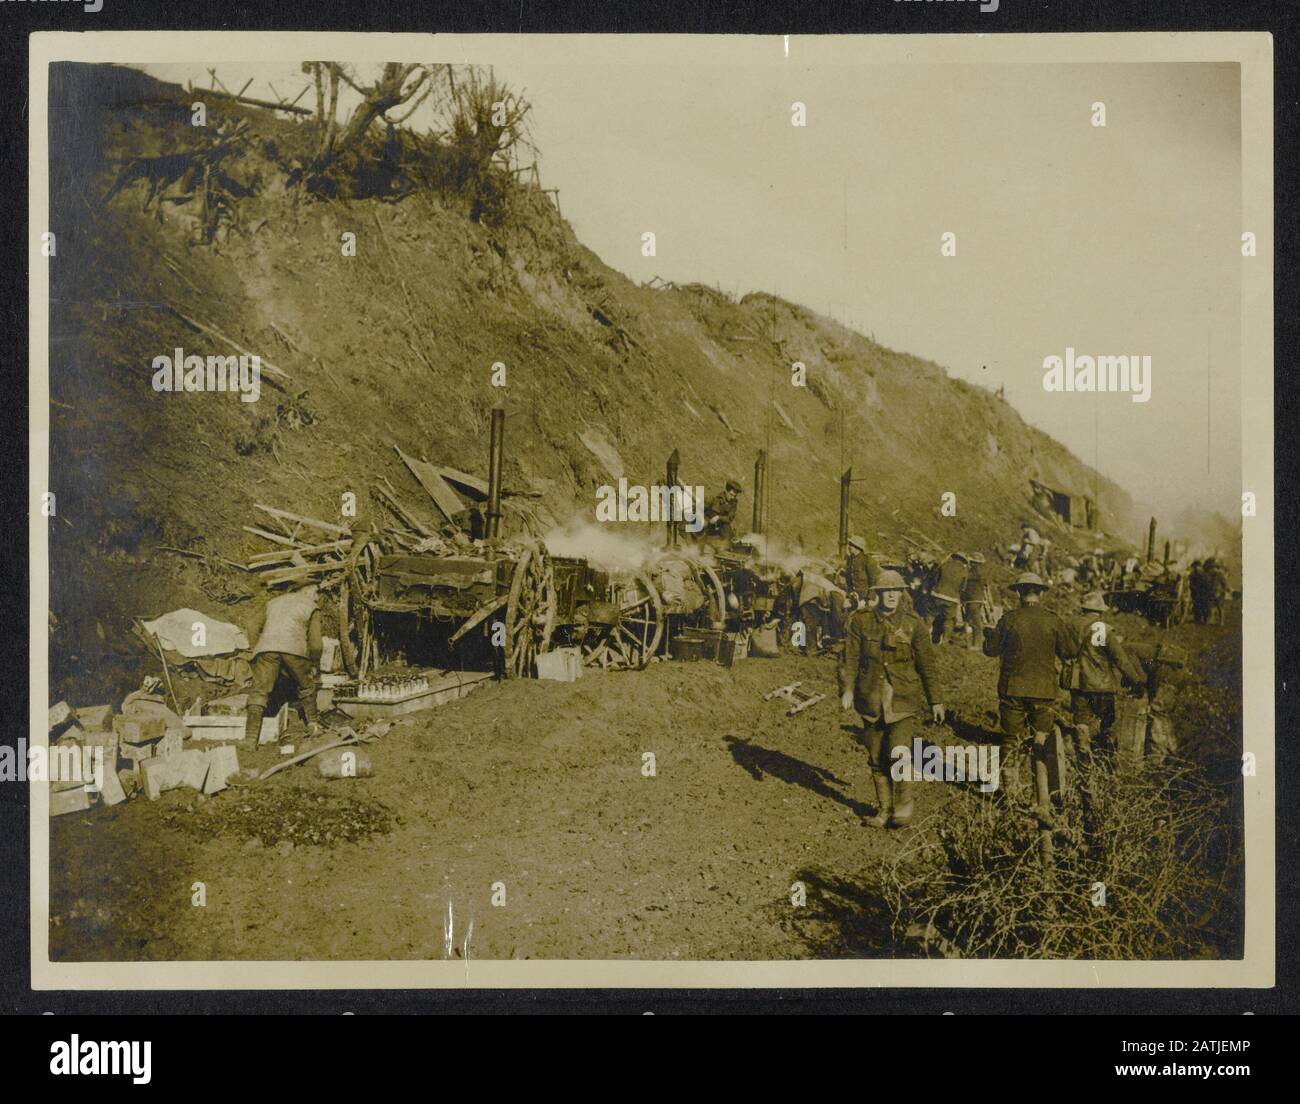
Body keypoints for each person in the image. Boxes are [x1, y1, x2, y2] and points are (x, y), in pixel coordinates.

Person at [840, 570, 944, 828]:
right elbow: (849, 659)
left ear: (901, 594)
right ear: (877, 594)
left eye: (895, 591)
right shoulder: (861, 622)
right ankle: (883, 810)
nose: (891, 596)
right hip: (870, 700)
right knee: (876, 758)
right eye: (886, 591)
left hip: (903, 699)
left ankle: (903, 806)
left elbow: (927, 665)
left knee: (899, 753)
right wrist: (847, 690)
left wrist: (936, 701)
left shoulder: (914, 624)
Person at [982, 572, 1073, 794]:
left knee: (1010, 739)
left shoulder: (1008, 619)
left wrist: (990, 633)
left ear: (1019, 593)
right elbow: (1069, 651)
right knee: (1042, 738)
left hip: (1013, 688)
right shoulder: (1053, 620)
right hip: (1043, 690)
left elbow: (990, 650)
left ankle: (1010, 793)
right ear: (1040, 593)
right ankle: (1043, 793)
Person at [1064, 591, 1146, 760]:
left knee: (1081, 720)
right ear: (1100, 611)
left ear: (1083, 608)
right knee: (1107, 724)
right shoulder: (1101, 629)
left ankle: (1083, 757)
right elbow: (1120, 658)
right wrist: (1136, 679)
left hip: (1077, 683)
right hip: (1101, 685)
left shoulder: (1070, 625)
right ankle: (1104, 759)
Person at [246, 582, 324, 745]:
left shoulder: (274, 602)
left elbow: (252, 625)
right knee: (307, 686)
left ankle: (250, 740)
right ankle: (314, 725)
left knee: (259, 692)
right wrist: (314, 663)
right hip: (293, 648)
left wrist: (255, 648)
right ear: (307, 591)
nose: (317, 598)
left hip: (266, 648)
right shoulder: (311, 606)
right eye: (317, 593)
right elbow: (315, 643)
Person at [929, 552, 969, 645]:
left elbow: (935, 579)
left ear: (954, 557)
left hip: (937, 594)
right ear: (963, 561)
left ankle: (926, 635)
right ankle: (945, 640)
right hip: (952, 598)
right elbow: (963, 588)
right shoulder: (964, 571)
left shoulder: (944, 565)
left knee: (930, 615)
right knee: (949, 619)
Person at [960, 552, 989, 649]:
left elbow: (966, 577)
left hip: (974, 600)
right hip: (972, 600)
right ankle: (969, 642)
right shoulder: (977, 570)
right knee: (968, 621)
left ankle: (977, 645)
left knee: (976, 623)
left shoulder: (977, 571)